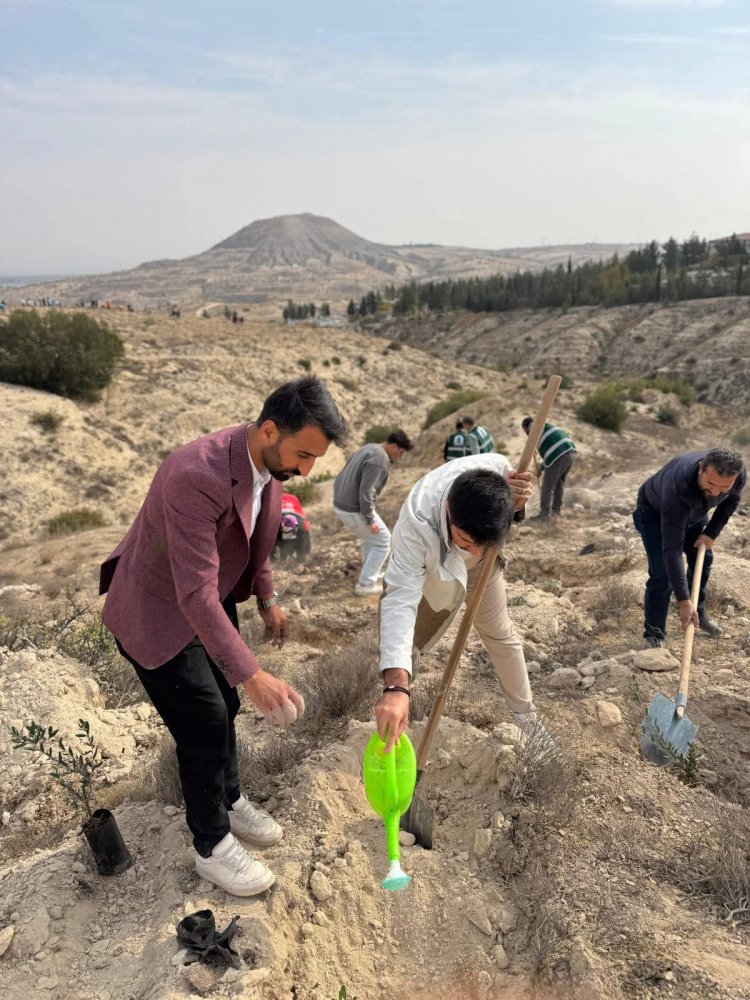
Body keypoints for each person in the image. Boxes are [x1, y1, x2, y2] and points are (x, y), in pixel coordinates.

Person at [99, 377, 347, 896]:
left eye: (314, 461)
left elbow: (256, 540)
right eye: (302, 455)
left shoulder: (269, 465)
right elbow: (192, 595)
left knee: (225, 706)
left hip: (205, 601)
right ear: (269, 430)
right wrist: (255, 675)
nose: (305, 470)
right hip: (156, 611)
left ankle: (229, 801)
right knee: (206, 722)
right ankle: (210, 846)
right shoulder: (197, 474)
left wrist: (266, 598)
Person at [374, 453, 543, 754]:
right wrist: (396, 686)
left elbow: (512, 507)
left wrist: (520, 501)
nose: (472, 552)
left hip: (483, 567)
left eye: (480, 545)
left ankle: (528, 722)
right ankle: (400, 719)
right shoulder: (416, 526)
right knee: (410, 641)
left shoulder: (499, 472)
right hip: (430, 566)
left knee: (499, 633)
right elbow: (400, 601)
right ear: (449, 510)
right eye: (466, 543)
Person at [633, 448, 746, 648]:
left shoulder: (737, 476)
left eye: (723, 488)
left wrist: (710, 533)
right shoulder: (678, 487)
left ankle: (698, 613)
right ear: (701, 469)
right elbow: (672, 549)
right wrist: (683, 599)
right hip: (654, 513)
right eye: (710, 484)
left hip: (694, 512)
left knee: (703, 557)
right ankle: (654, 633)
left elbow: (732, 501)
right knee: (662, 573)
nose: (715, 493)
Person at [333, 429, 414, 596]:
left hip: (342, 505)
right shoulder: (380, 459)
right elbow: (366, 491)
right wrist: (370, 520)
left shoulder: (369, 448)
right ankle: (365, 584)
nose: (400, 457)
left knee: (371, 539)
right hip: (353, 509)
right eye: (400, 452)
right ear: (393, 446)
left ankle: (369, 574)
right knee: (384, 541)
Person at [521, 416, 577, 521]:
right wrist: (540, 468)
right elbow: (550, 454)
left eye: (525, 432)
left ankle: (544, 516)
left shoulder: (535, 429)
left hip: (558, 454)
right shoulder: (546, 426)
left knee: (547, 487)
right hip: (570, 452)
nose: (526, 434)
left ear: (526, 427)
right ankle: (556, 511)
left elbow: (553, 455)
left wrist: (540, 468)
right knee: (559, 483)